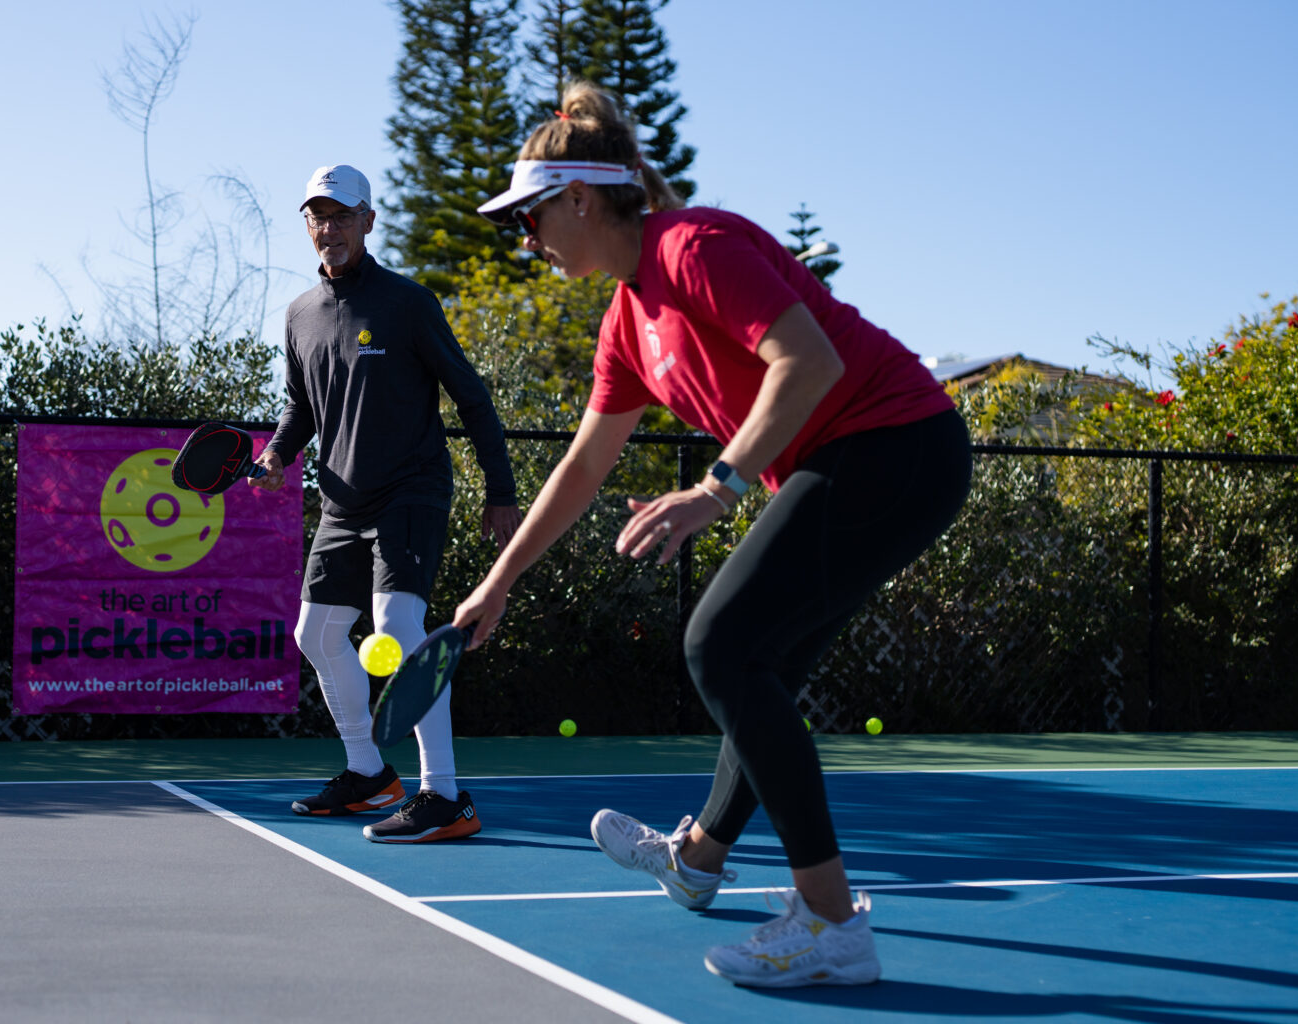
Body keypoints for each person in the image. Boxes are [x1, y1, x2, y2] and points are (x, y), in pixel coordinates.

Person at [456, 84, 972, 986]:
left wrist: (717, 487)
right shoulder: (626, 319)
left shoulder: (692, 246)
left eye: (529, 217)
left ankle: (828, 921)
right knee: (757, 665)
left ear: (581, 197)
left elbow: (810, 361)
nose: (525, 239)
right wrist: (498, 581)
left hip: (898, 445)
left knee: (721, 645)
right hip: (855, 459)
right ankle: (697, 861)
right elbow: (582, 467)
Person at [251, 164, 523, 843]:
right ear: (307, 226)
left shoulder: (407, 304)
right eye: (318, 216)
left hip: (411, 491)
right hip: (341, 502)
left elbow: (471, 396)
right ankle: (370, 774)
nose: (330, 228)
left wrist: (501, 490)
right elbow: (301, 407)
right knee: (313, 635)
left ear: (369, 221)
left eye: (342, 215)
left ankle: (445, 797)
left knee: (398, 631)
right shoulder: (298, 316)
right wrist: (278, 455)